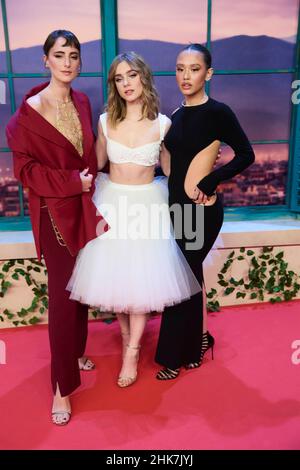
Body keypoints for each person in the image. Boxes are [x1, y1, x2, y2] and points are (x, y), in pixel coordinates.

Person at [67, 51, 201, 388]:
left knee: (141, 279)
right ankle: (126, 333)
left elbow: (172, 170)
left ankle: (132, 350)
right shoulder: (104, 121)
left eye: (132, 75)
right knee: (117, 277)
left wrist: (203, 182)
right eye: (119, 78)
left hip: (148, 206)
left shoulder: (163, 123)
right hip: (112, 203)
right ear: (114, 84)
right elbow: (96, 163)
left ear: (144, 77)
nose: (127, 83)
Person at [6, 30, 108, 425]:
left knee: (81, 291)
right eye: (60, 55)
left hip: (84, 208)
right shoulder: (25, 117)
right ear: (45, 60)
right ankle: (60, 389)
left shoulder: (82, 100)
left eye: (74, 56)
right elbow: (26, 173)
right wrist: (72, 184)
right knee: (64, 300)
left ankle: (77, 352)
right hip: (54, 215)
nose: (68, 62)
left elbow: (90, 152)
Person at [155, 43, 255, 380]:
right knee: (189, 273)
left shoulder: (219, 112)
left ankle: (172, 356)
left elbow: (246, 154)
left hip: (203, 208)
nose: (186, 75)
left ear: (208, 73)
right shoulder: (175, 117)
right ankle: (199, 340)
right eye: (180, 68)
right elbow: (172, 168)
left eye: (194, 69)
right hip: (178, 207)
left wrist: (213, 179)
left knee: (181, 273)